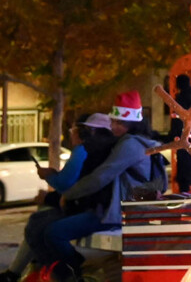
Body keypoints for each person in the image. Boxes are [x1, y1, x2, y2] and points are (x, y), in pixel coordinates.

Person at [30, 92, 161, 281]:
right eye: (113, 121)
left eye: (119, 123)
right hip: (122, 207)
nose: (114, 126)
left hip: (119, 211)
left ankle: (78, 272)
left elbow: (101, 177)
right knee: (48, 227)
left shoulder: (130, 145)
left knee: (53, 232)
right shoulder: (136, 141)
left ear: (132, 124)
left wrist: (69, 194)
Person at [0, 114, 112, 282]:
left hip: (94, 209)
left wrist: (50, 181)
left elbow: (67, 183)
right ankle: (32, 269)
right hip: (90, 206)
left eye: (75, 130)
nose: (72, 134)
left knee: (44, 227)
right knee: (39, 222)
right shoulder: (97, 151)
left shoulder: (83, 150)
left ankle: (65, 268)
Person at [168, 74, 191, 193]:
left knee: (187, 172)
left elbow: (179, 121)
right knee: (187, 170)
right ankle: (188, 196)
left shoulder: (182, 98)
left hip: (185, 138)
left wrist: (173, 135)